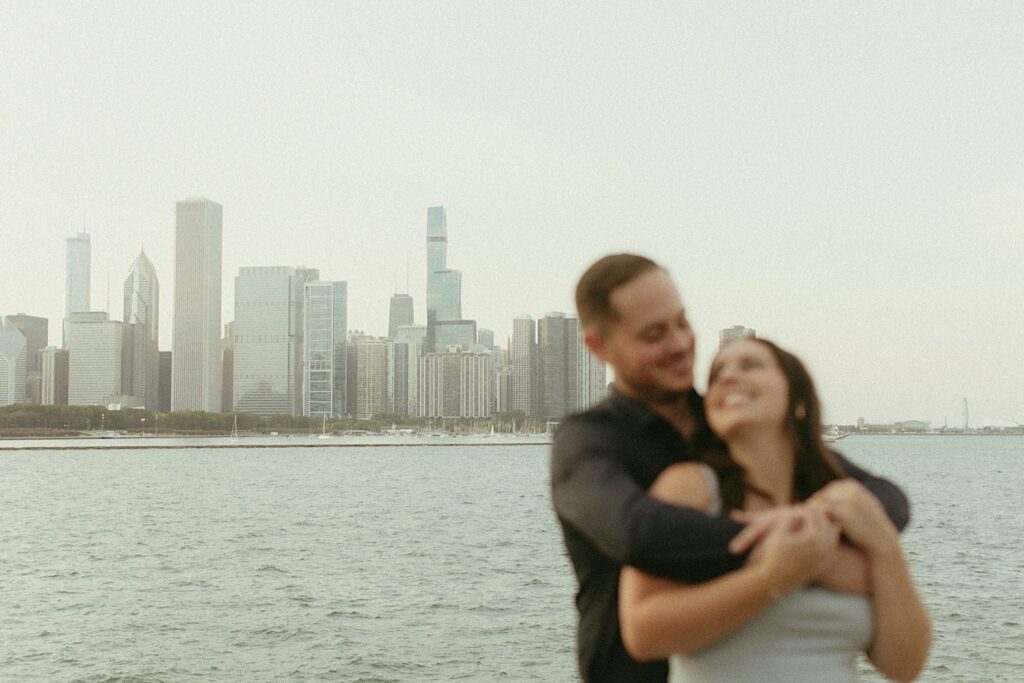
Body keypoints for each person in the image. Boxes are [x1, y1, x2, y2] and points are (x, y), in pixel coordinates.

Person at [550, 253, 910, 683]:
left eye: (682, 322)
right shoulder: (587, 441)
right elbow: (636, 531)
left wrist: (821, 529)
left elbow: (886, 501)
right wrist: (786, 544)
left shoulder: (727, 422)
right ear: (600, 347)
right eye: (654, 334)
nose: (680, 344)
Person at [618, 338, 931, 681]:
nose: (729, 376)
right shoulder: (691, 489)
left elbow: (904, 666)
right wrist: (775, 577)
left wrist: (884, 543)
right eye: (718, 373)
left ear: (797, 400)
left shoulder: (847, 507)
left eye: (751, 365)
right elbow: (643, 634)